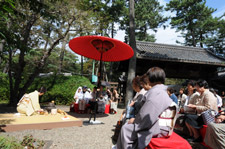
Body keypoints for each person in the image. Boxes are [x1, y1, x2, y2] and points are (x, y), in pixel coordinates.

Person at [114, 67, 174, 149]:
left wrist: (135, 121)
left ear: (151, 78)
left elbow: (146, 116)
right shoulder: (161, 90)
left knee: (126, 129)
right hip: (163, 126)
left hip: (159, 127)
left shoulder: (156, 92)